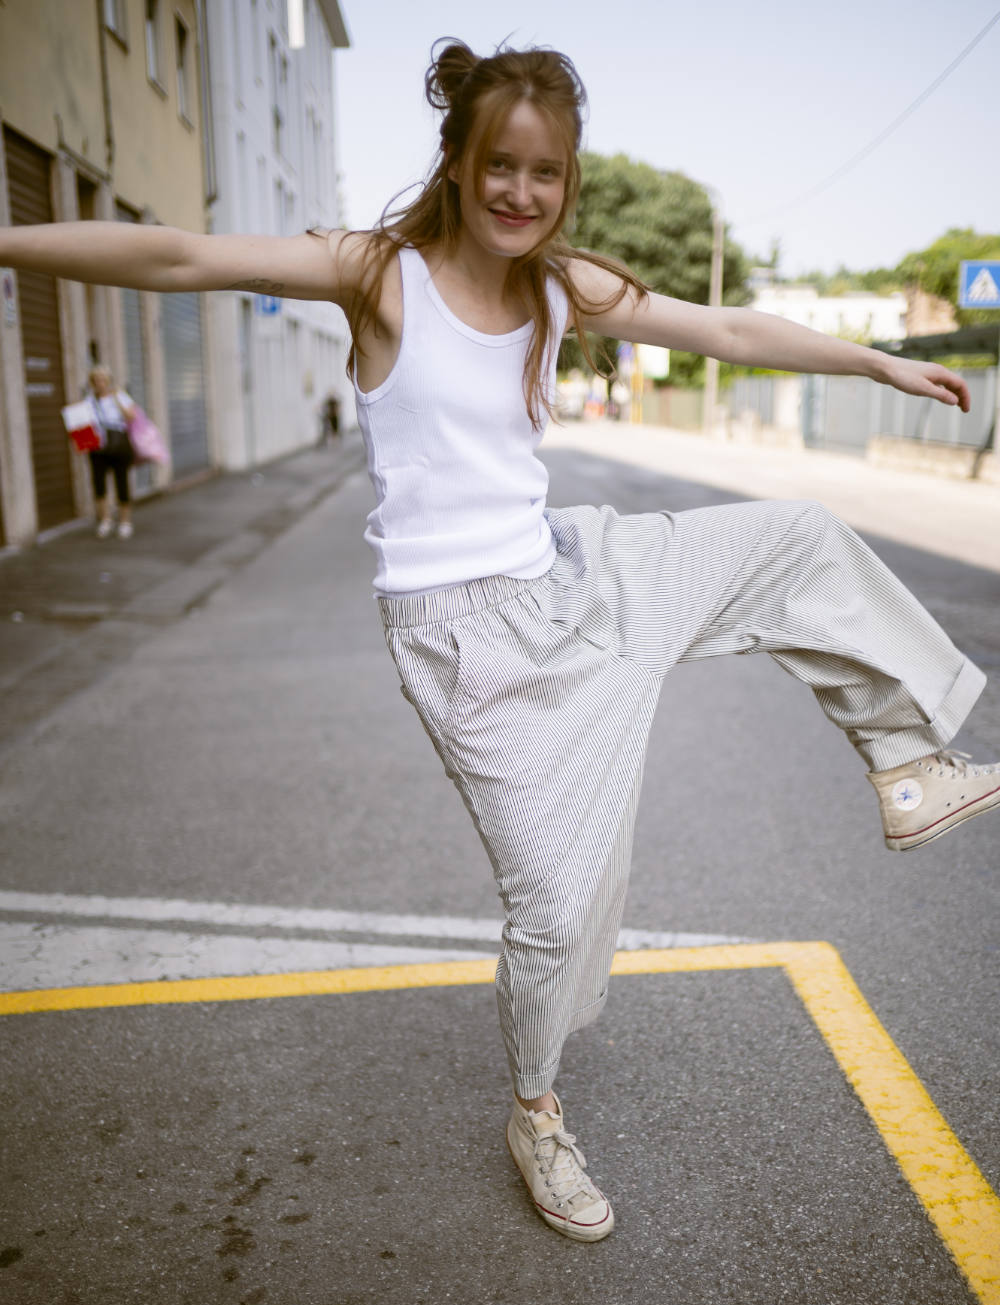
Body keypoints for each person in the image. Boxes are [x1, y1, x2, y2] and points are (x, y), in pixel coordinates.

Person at [2, 38, 997, 1242]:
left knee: (796, 537)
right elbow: (179, 255)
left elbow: (726, 331)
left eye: (547, 173)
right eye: (500, 167)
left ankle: (905, 765)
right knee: (557, 909)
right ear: (458, 163)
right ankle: (536, 1112)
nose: (521, 193)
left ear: (567, 181)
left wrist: (877, 360)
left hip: (574, 575)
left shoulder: (559, 286)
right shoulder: (379, 274)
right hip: (468, 643)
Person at [85, 365, 137, 538]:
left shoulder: (120, 396)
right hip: (97, 447)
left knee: (122, 482)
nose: (100, 383)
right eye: (96, 380)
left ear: (108, 381)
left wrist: (116, 400)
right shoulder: (89, 400)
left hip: (118, 444)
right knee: (99, 483)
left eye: (103, 380)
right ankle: (105, 520)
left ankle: (125, 521)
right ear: (92, 383)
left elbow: (131, 416)